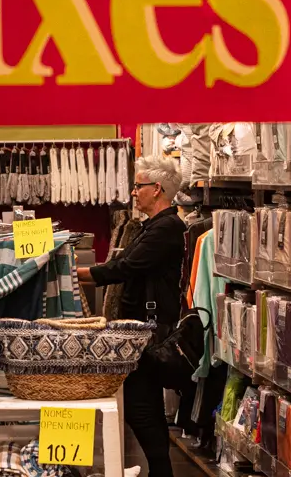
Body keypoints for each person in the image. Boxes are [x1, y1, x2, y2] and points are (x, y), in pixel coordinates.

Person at [76, 156, 186, 477]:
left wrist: (72, 272)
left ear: (157, 188)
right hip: (143, 330)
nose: (134, 192)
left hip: (148, 333)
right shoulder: (155, 226)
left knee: (140, 404)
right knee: (145, 404)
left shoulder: (166, 228)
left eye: (138, 186)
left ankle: (161, 470)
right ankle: (160, 470)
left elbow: (124, 268)